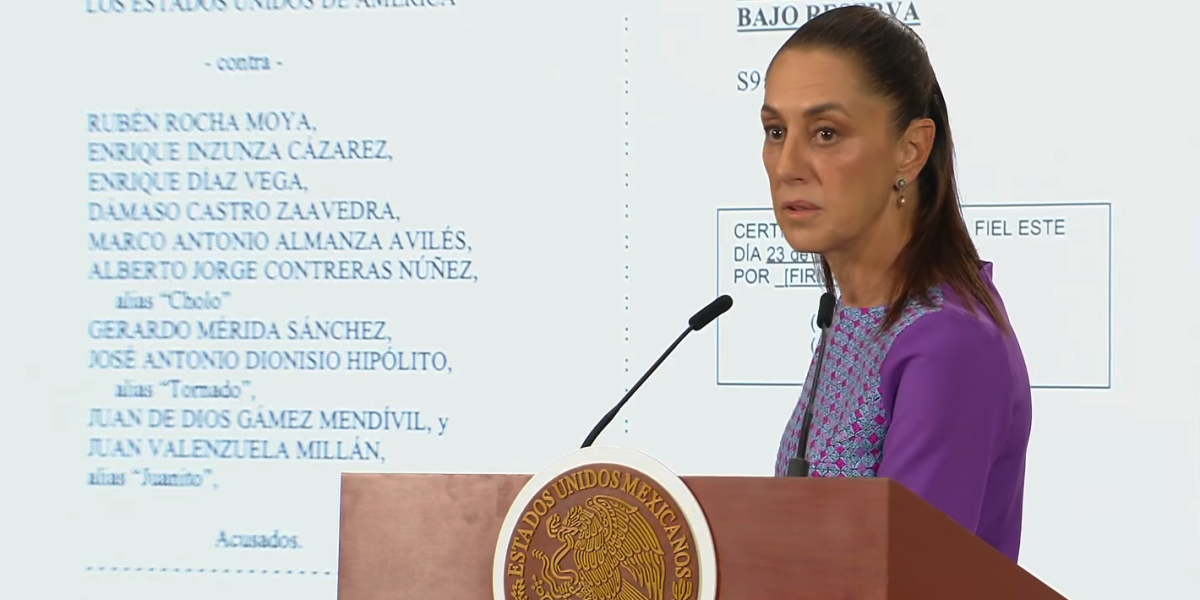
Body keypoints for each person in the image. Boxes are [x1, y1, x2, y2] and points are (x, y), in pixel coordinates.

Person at [762, 6, 1033, 562]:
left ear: (910, 150)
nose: (788, 163)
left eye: (826, 133)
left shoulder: (947, 341)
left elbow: (905, 577)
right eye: (775, 131)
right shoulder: (856, 315)